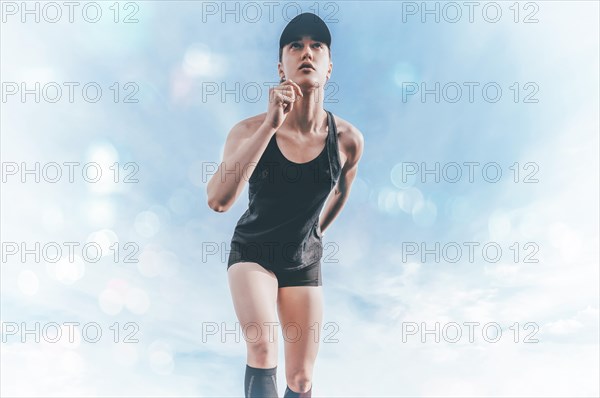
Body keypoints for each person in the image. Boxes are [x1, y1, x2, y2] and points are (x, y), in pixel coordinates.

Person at [207, 12, 364, 398]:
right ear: (282, 67)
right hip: (253, 252)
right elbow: (217, 200)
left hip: (303, 259)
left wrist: (316, 233)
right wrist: (270, 126)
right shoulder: (248, 130)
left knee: (302, 380)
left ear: (329, 68)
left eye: (317, 46)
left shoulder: (347, 140)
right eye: (295, 45)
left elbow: (341, 193)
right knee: (262, 347)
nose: (306, 52)